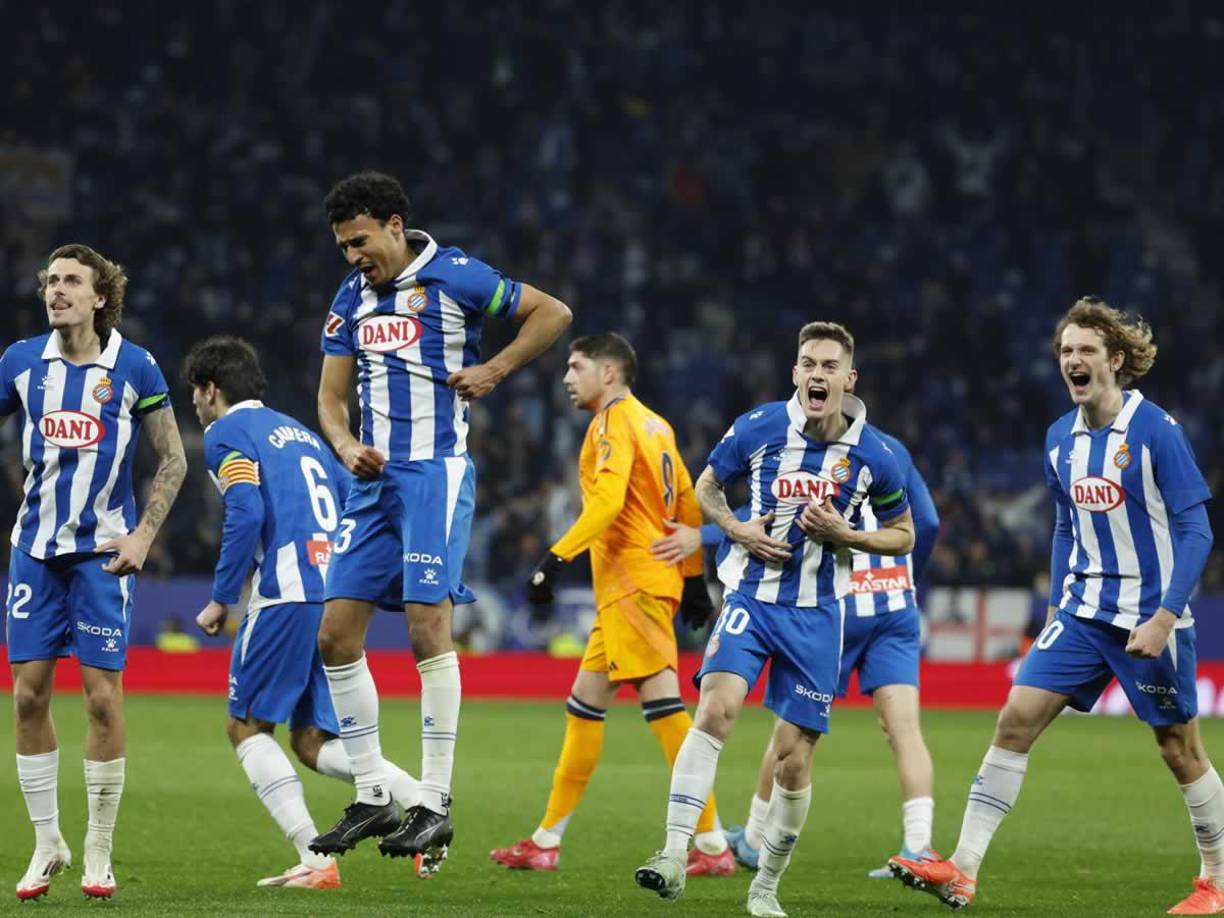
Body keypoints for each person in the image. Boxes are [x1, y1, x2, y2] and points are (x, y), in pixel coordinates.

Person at [890, 297, 1218, 914]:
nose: (1073, 360)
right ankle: (961, 869)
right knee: (1014, 720)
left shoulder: (1155, 432)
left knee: (1180, 749)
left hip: (1148, 618)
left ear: (1116, 361)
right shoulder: (1058, 439)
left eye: (1086, 351)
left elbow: (1197, 530)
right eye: (1066, 351)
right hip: (1080, 613)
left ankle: (1218, 881)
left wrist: (1165, 617)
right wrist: (1054, 607)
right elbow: (1066, 527)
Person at [309, 172, 571, 874]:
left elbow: (553, 313)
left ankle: (434, 802)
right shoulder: (349, 298)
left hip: (434, 475)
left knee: (428, 624)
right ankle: (372, 793)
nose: (352, 256)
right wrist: (342, 445)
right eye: (341, 245)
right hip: (370, 485)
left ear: (395, 225)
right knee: (335, 636)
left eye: (359, 241)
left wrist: (496, 368)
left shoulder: (456, 275)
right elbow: (330, 398)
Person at [633, 321, 916, 918]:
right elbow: (707, 486)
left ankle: (764, 888)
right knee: (714, 708)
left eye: (830, 365)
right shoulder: (759, 426)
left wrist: (848, 534)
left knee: (793, 758)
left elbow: (905, 534)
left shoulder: (877, 454)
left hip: (818, 616)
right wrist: (736, 530)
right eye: (808, 363)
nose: (818, 374)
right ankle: (672, 852)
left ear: (849, 377)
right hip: (752, 600)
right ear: (796, 372)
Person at [183, 335, 422, 890]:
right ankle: (419, 803)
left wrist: (223, 597)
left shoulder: (226, 433)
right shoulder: (306, 436)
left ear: (211, 389)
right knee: (312, 741)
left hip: (285, 591)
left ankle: (314, 860)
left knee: (245, 726)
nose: (195, 404)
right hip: (331, 589)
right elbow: (353, 505)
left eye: (195, 393)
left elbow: (245, 512)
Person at [488, 333, 731, 876]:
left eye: (576, 367)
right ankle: (546, 840)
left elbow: (609, 500)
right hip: (640, 584)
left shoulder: (612, 423)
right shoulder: (656, 423)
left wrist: (554, 558)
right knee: (584, 707)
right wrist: (691, 579)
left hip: (632, 583)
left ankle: (713, 845)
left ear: (609, 373)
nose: (567, 378)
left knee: (665, 711)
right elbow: (688, 499)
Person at [656, 422, 942, 878]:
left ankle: (752, 839)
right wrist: (907, 578)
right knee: (904, 730)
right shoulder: (892, 451)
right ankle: (919, 844)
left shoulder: (808, 452)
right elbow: (924, 523)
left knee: (789, 730)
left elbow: (769, 514)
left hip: (838, 602)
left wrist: (707, 537)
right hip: (896, 605)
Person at [4, 244, 187, 901]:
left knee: (103, 699)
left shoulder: (134, 366)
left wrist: (143, 536)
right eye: (51, 281)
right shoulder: (20, 362)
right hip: (35, 550)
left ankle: (98, 851)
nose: (56, 291)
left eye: (71, 282)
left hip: (104, 554)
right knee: (27, 695)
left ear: (100, 296)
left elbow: (172, 459)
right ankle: (46, 841)